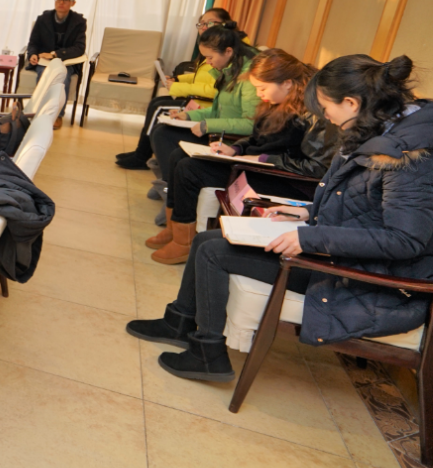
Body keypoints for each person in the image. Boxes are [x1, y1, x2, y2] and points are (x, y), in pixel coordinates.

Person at [127, 54, 433, 382]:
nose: (326, 117)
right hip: (342, 253)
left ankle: (207, 355)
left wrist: (309, 237)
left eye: (326, 108)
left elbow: (405, 240)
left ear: (351, 103)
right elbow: (364, 206)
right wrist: (307, 211)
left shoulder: (406, 156)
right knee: (206, 240)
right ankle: (179, 323)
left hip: (361, 277)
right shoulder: (379, 133)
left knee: (214, 252)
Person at [147, 49, 337, 264]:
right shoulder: (276, 102)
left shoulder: (314, 114)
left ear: (287, 83)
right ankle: (175, 228)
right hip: (259, 165)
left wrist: (264, 160)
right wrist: (236, 149)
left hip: (285, 179)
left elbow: (316, 168)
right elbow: (257, 138)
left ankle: (184, 242)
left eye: (262, 88)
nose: (259, 94)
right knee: (178, 155)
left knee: (189, 169)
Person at [145, 22, 259, 261]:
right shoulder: (227, 71)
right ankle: (174, 228)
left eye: (210, 57)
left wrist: (207, 125)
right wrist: (189, 116)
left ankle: (183, 239)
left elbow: (251, 124)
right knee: (171, 147)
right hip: (221, 133)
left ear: (228, 51)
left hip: (233, 141)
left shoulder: (248, 79)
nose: (207, 63)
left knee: (182, 161)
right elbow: (217, 111)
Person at [116, 7, 238, 170]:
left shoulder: (226, 53)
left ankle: (141, 155)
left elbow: (215, 90)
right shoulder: (212, 49)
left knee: (159, 107)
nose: (203, 27)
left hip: (204, 104)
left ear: (224, 25)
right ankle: (142, 152)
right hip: (198, 100)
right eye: (201, 24)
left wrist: (180, 87)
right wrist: (178, 79)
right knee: (156, 102)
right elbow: (201, 77)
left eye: (209, 23)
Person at [25, 0, 87, 129]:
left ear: (73, 3)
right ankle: (40, 111)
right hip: (44, 61)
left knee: (62, 77)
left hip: (66, 62)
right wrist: (32, 54)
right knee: (44, 74)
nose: (61, 2)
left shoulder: (79, 22)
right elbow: (33, 43)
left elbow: (79, 48)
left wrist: (55, 54)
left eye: (66, 0)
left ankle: (57, 115)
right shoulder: (43, 19)